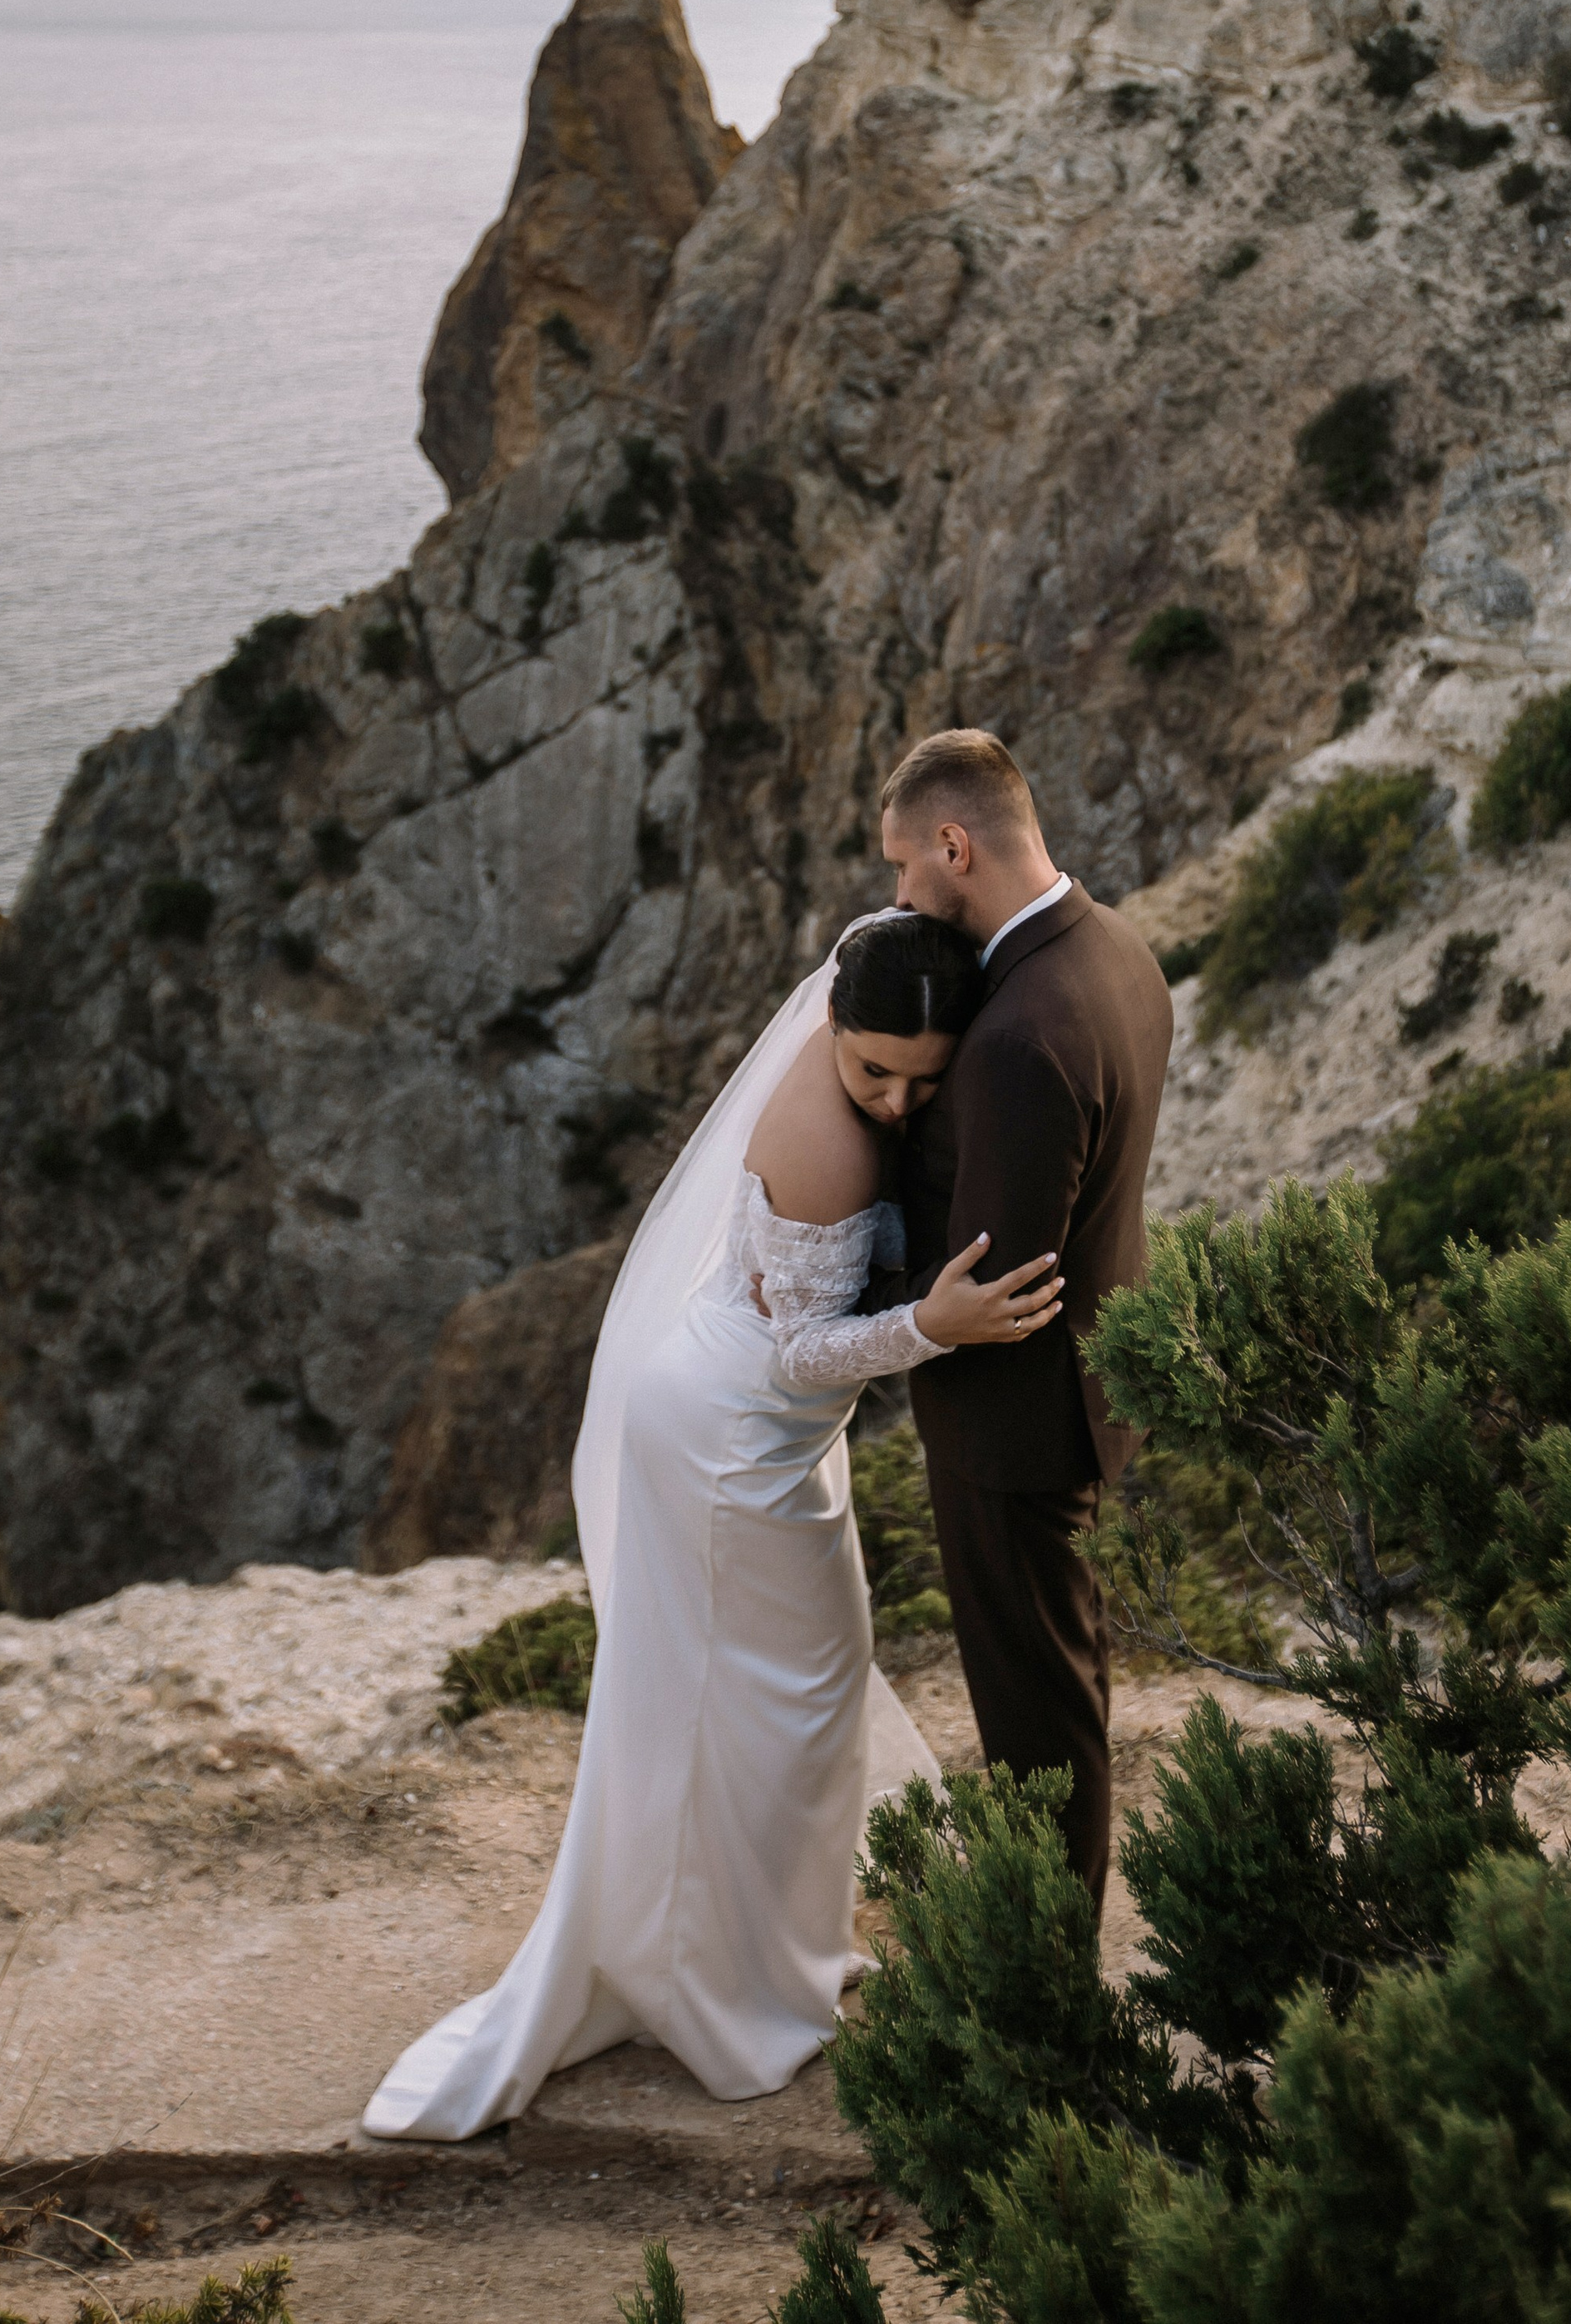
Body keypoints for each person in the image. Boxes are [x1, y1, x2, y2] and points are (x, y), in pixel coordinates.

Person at [361, 910, 1062, 2139]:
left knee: (786, 1707)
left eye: (923, 1080)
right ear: (832, 1030)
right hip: (734, 1442)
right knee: (761, 1709)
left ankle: (759, 1962)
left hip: (755, 1436)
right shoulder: (831, 1145)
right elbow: (801, 1353)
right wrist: (933, 1329)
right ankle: (723, 1996)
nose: (897, 1101)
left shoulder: (859, 1076)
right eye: (874, 1072)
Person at [882, 729, 1173, 1904]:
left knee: (1037, 1721)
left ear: (956, 847)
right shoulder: (1120, 952)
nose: (898, 896)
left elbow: (986, 1281)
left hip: (1014, 1425)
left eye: (904, 869)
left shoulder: (1014, 1038)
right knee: (1064, 1679)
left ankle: (1045, 1986)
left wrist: (853, 1305)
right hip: (1092, 1390)